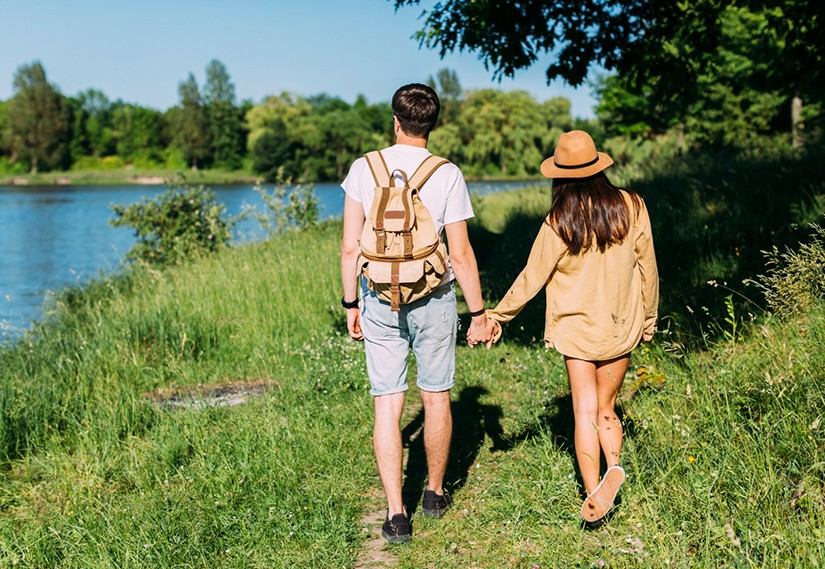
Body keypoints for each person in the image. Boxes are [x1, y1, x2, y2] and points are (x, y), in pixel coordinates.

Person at [479, 130, 659, 528]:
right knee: (606, 408)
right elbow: (649, 265)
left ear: (559, 176)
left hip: (578, 331)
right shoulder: (632, 206)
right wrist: (649, 316)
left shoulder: (559, 220)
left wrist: (497, 316)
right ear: (599, 166)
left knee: (583, 412)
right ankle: (616, 465)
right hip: (620, 324)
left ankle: (594, 493)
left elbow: (532, 277)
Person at [340, 83, 493, 544]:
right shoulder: (446, 173)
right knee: (436, 395)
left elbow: (350, 247)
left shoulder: (364, 168)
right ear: (433, 123)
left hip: (378, 297)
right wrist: (479, 313)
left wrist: (352, 303)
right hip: (433, 295)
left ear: (395, 120)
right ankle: (433, 492)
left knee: (389, 401)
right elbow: (461, 255)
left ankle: (395, 514)